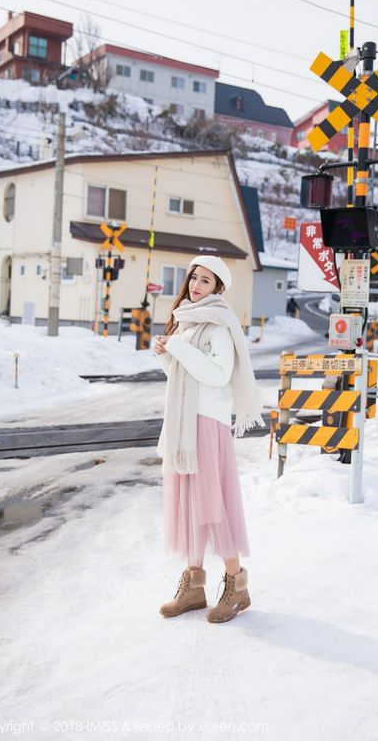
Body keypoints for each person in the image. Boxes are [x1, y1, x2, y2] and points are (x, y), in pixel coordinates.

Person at [154, 255, 265, 623]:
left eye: (205, 281)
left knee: (212, 507)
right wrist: (167, 357)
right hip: (185, 423)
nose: (196, 285)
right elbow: (185, 375)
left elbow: (216, 376)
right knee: (189, 505)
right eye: (193, 279)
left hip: (207, 425)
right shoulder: (188, 322)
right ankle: (194, 586)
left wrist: (178, 348)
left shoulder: (219, 325)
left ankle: (237, 585)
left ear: (219, 287)